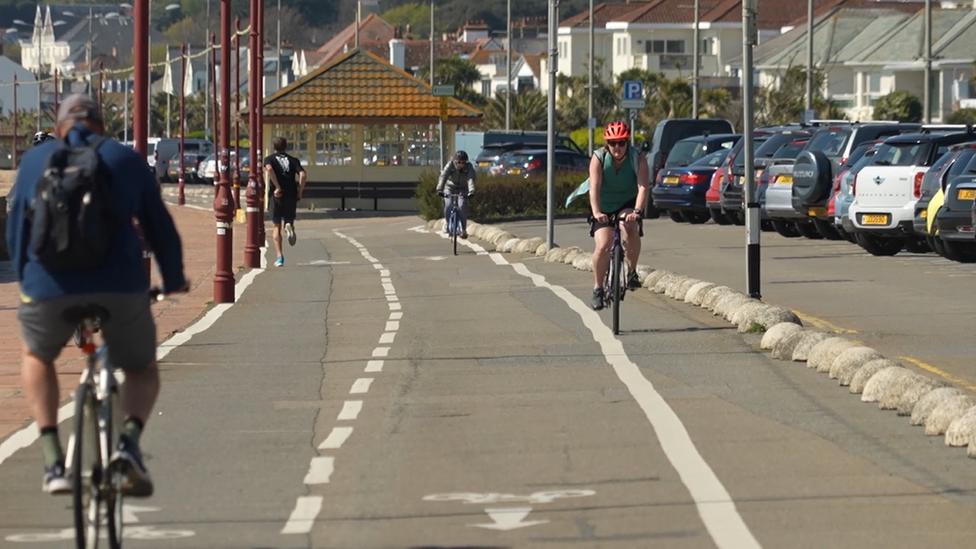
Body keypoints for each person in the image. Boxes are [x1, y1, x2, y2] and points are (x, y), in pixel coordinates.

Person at [5, 94, 188, 496]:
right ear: (101, 126)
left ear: (59, 127)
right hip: (119, 285)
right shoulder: (124, 160)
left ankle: (54, 460)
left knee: (37, 356)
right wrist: (173, 279)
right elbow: (160, 227)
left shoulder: (35, 161)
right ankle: (127, 445)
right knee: (141, 369)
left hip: (47, 284)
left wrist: (28, 282)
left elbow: (15, 231)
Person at [588, 120, 650, 310]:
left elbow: (642, 186)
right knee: (603, 245)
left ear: (627, 142)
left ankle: (631, 272)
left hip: (627, 204)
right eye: (613, 143)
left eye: (621, 142)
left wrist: (637, 211)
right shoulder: (598, 158)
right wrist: (597, 212)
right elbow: (594, 187)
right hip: (603, 207)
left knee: (630, 227)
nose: (617, 147)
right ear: (607, 143)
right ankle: (598, 288)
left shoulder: (637, 158)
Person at [264, 136, 307, 267]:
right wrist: (299, 191)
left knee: (276, 225)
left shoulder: (269, 159)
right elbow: (303, 174)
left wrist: (277, 186)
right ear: (286, 147)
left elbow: (269, 169)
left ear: (274, 147)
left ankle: (279, 257)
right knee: (288, 219)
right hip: (290, 194)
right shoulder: (293, 160)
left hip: (277, 195)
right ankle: (288, 225)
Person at [435, 150, 476, 239]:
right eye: (459, 162)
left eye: (463, 163)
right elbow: (443, 176)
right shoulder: (450, 165)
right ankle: (447, 223)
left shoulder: (469, 167)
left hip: (462, 188)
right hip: (449, 187)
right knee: (448, 204)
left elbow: (470, 179)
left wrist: (471, 191)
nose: (461, 164)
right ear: (455, 161)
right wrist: (439, 189)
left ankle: (464, 230)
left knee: (461, 207)